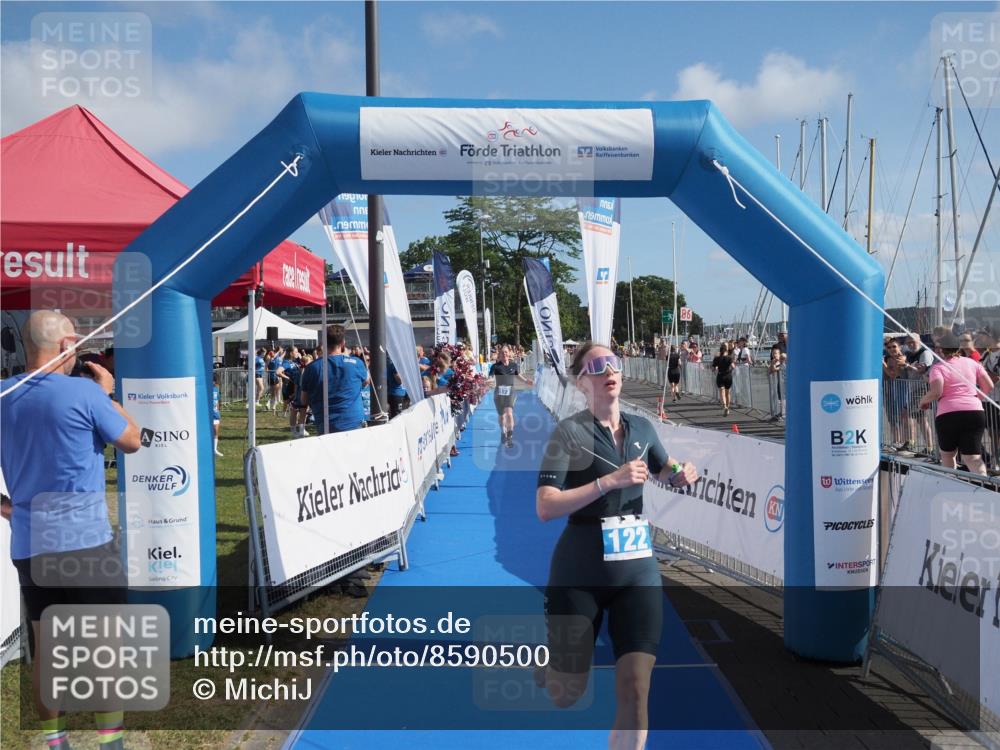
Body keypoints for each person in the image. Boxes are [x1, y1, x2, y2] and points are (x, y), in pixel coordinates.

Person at [535, 343, 697, 750]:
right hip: (580, 571)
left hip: (637, 569)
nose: (609, 370)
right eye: (597, 365)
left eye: (614, 363)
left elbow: (665, 469)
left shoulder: (641, 427)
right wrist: (608, 482)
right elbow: (545, 506)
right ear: (582, 382)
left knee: (636, 689)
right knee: (566, 693)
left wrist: (681, 474)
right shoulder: (568, 432)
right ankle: (550, 667)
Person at [1, 311, 142, 750]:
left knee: (47, 653)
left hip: (30, 545)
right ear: (65, 346)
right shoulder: (85, 392)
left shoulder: (3, 394)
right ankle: (110, 743)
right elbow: (132, 439)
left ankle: (54, 741)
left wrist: (8, 508)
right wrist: (109, 393)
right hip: (85, 544)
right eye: (75, 347)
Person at [918, 333, 994, 475]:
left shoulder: (938, 368)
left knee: (947, 455)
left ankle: (950, 484)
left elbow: (936, 392)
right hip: (974, 411)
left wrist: (923, 401)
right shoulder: (973, 363)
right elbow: (989, 386)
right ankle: (985, 489)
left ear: (940, 350)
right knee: (972, 457)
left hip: (948, 414)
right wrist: (974, 398)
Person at [299, 325, 370, 434]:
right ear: (343, 343)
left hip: (326, 426)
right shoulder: (356, 363)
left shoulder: (311, 368)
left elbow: (304, 400)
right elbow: (366, 382)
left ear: (324, 343)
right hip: (354, 425)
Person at [488, 344, 533, 448]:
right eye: (502, 353)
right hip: (499, 392)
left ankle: (510, 437)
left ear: (509, 354)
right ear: (499, 354)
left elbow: (517, 375)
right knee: (501, 415)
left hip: (511, 391)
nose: (504, 354)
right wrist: (488, 381)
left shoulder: (513, 365)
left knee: (509, 413)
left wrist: (526, 381)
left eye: (506, 352)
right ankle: (503, 431)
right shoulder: (495, 366)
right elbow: (490, 377)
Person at [712, 343, 734, 416]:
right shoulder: (729, 358)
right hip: (728, 375)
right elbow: (733, 366)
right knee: (728, 392)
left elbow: (713, 368)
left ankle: (724, 406)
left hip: (720, 375)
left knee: (722, 391)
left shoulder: (716, 358)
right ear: (726, 351)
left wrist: (716, 368)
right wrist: (729, 369)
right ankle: (727, 408)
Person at [212, 370, 223, 457]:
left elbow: (219, 400)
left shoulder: (216, 389)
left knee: (216, 431)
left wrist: (218, 409)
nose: (218, 384)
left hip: (215, 414)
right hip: (208, 414)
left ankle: (214, 449)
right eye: (217, 382)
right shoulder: (207, 389)